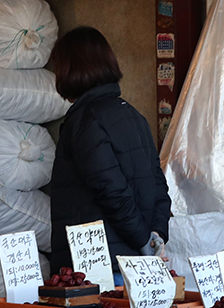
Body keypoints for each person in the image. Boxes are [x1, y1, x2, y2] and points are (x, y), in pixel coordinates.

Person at [47, 26, 172, 285]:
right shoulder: (133, 115)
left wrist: (142, 241)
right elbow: (158, 183)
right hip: (136, 263)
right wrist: (156, 234)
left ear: (70, 70)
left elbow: (112, 192)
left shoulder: (85, 122)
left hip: (101, 269)